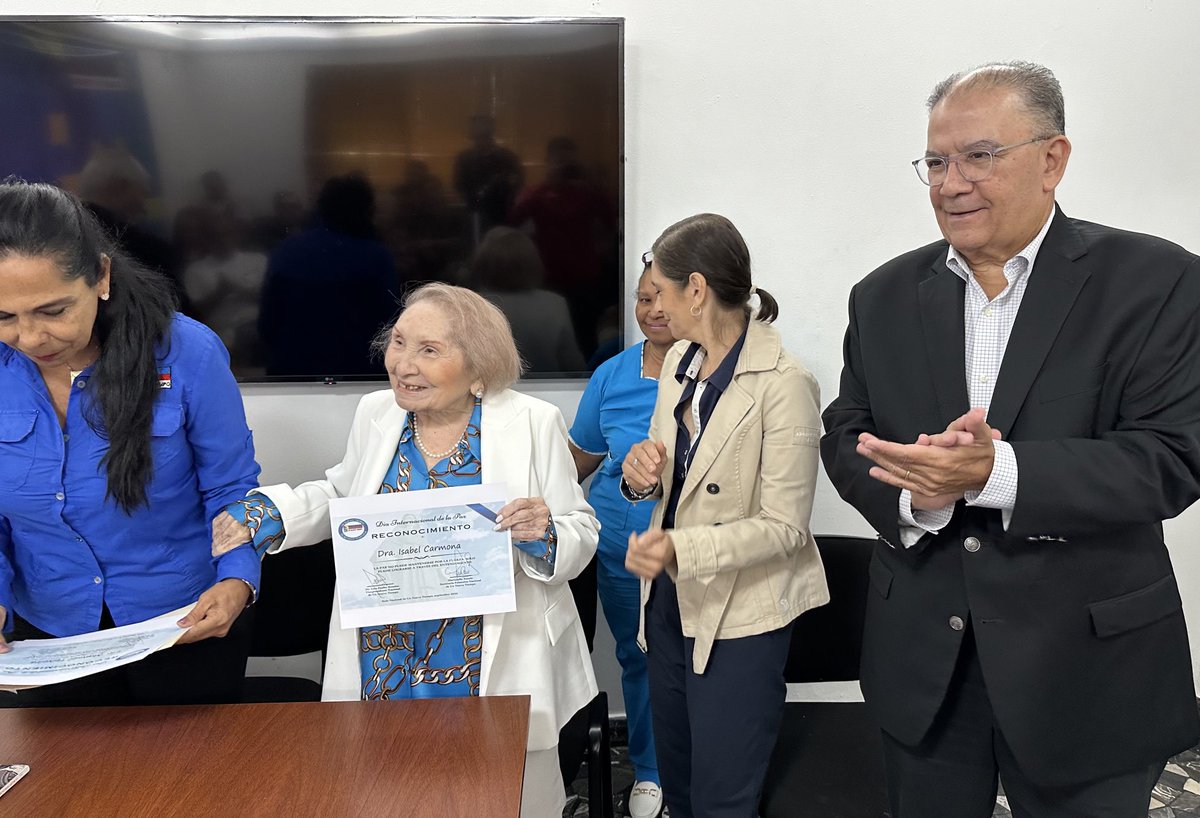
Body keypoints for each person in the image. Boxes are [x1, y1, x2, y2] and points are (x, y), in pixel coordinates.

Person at [820, 61, 1200, 817]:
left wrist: (996, 474)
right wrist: (917, 496)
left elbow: (1172, 457)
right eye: (936, 161)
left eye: (979, 156)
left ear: (1053, 159)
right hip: (926, 668)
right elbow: (847, 432)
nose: (950, 182)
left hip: (1089, 669)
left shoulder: (1156, 281)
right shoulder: (883, 295)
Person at [211, 283, 599, 817]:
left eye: (429, 350)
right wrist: (273, 512)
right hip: (386, 652)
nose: (403, 365)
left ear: (479, 365)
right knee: (386, 791)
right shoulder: (377, 414)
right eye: (398, 343)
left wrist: (544, 529)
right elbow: (343, 496)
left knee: (493, 797)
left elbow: (580, 528)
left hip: (486, 652)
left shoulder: (531, 422)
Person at [0, 181, 261, 706]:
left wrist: (238, 580)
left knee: (192, 782)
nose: (29, 338)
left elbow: (231, 489)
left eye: (52, 311)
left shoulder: (185, 353)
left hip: (181, 622)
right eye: (4, 317)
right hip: (50, 629)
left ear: (101, 277)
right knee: (68, 784)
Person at [621, 214, 827, 818]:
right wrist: (641, 479)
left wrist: (684, 550)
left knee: (723, 798)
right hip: (666, 601)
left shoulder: (786, 384)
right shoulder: (680, 362)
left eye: (658, 291)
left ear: (696, 289)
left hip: (740, 614)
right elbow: (670, 483)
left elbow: (786, 528)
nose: (653, 307)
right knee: (679, 785)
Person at [567, 259, 675, 818]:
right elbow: (579, 458)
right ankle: (652, 771)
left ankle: (710, 762)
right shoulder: (612, 373)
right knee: (639, 657)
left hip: (699, 548)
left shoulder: (726, 372)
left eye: (664, 295)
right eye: (642, 298)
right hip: (620, 548)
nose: (653, 310)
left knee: (707, 660)